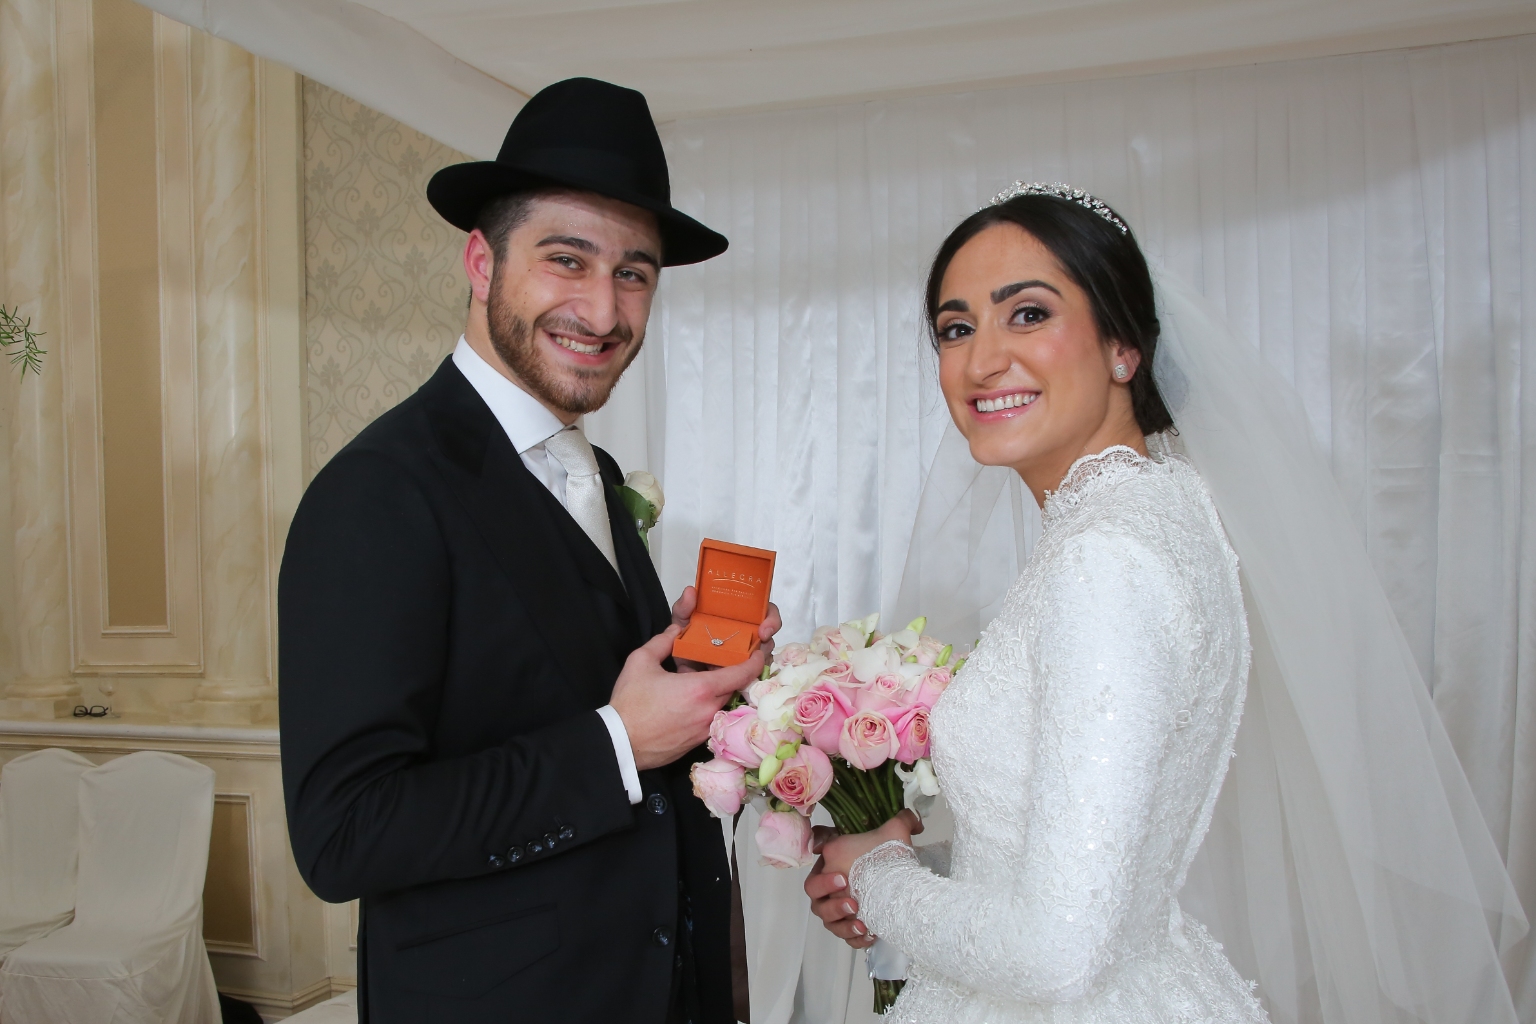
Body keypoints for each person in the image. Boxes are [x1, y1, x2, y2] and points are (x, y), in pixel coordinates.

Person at [804, 184, 1526, 1023]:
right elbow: (1091, 870)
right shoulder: (1164, 513)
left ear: (1124, 348)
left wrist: (876, 876)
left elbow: (1056, 954)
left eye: (1028, 314)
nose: (982, 360)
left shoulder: (1104, 560)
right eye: (956, 328)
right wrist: (918, 876)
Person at [279, 77, 777, 1024]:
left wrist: (687, 673)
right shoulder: (379, 491)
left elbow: (551, 682)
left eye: (633, 273)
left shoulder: (597, 470)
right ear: (481, 260)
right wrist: (619, 743)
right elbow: (344, 835)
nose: (603, 310)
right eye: (566, 260)